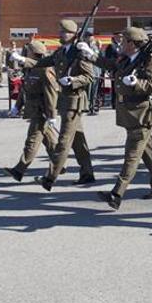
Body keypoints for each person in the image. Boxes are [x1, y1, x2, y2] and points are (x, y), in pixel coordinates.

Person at [14, 19, 95, 189]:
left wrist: (73, 80)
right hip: (65, 101)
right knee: (78, 141)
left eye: (64, 32)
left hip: (75, 102)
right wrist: (23, 60)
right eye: (61, 31)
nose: (60, 34)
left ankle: (50, 177)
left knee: (63, 141)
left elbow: (90, 77)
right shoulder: (61, 52)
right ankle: (87, 173)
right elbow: (42, 63)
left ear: (73, 35)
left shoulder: (79, 53)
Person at [94, 27, 152, 210]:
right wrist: (90, 56)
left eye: (124, 41)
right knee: (148, 152)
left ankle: (117, 193)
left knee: (132, 155)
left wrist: (137, 84)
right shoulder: (127, 59)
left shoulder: (151, 60)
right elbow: (112, 66)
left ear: (133, 44)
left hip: (143, 115)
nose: (120, 44)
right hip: (130, 113)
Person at [3, 41, 63, 182]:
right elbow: (25, 89)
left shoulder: (45, 70)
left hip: (41, 111)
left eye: (28, 52)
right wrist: (17, 107)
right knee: (49, 141)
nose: (25, 54)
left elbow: (51, 94)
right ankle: (60, 165)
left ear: (33, 53)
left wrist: (51, 115)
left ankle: (19, 170)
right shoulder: (30, 68)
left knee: (32, 140)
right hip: (33, 108)